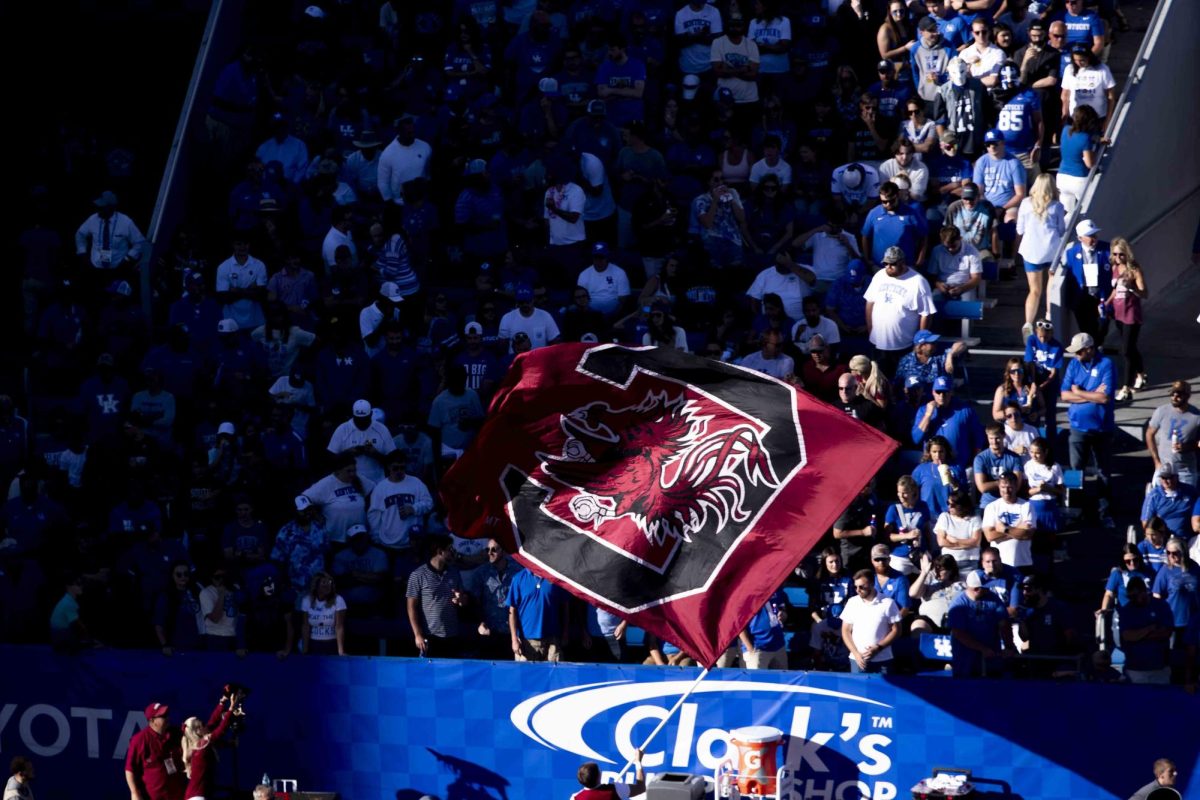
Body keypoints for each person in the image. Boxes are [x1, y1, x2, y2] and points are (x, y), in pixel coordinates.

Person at [1061, 331, 1116, 527]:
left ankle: (1104, 512)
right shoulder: (1074, 364)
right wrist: (1090, 395)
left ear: (1089, 349)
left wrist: (1079, 392)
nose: (1075, 355)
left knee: (1103, 472)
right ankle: (1077, 511)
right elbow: (1065, 395)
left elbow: (1105, 397)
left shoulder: (1106, 364)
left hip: (1102, 429)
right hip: (1077, 428)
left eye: (1078, 352)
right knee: (1077, 471)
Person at [863, 246, 937, 373]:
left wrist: (919, 342)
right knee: (879, 382)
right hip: (878, 342)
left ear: (902, 263)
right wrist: (870, 328)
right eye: (886, 263)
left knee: (902, 383)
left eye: (892, 264)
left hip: (904, 345)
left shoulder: (918, 282)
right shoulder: (879, 276)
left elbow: (926, 313)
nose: (888, 267)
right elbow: (870, 302)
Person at [1015, 174, 1065, 336]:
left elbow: (1020, 230)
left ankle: (1028, 322)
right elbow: (1061, 231)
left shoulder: (1025, 204)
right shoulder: (1056, 206)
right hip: (1051, 251)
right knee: (1050, 284)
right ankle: (1049, 316)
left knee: (1034, 290)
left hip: (1031, 251)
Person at [406, 534, 469, 657]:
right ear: (440, 551)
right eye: (450, 549)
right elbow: (411, 607)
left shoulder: (454, 572)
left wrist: (462, 599)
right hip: (430, 636)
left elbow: (464, 600)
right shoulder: (418, 575)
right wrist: (418, 634)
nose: (453, 552)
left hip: (452, 635)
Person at [947, 570, 1015, 677]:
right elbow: (958, 633)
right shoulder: (958, 604)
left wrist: (1009, 647)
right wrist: (982, 649)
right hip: (966, 661)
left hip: (992, 659)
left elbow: (1004, 624)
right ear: (976, 589)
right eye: (985, 588)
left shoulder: (993, 598)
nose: (988, 590)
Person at [1106, 237, 1148, 403]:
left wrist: (1132, 287)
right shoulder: (1115, 267)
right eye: (1115, 254)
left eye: (1121, 254)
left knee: (1126, 350)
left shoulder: (1134, 269)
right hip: (1118, 312)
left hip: (1131, 313)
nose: (1118, 258)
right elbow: (1115, 290)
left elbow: (1145, 293)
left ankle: (1126, 387)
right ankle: (1141, 374)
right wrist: (1106, 303)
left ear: (1127, 253)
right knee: (1131, 348)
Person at [911, 375, 985, 470]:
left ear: (951, 392)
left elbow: (978, 439)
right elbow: (916, 438)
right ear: (933, 392)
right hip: (933, 467)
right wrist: (928, 415)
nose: (942, 396)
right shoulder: (923, 410)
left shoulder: (965, 410)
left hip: (959, 466)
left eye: (945, 392)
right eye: (938, 392)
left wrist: (973, 464)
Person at [840, 569, 902, 673]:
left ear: (872, 584)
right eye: (855, 587)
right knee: (858, 689)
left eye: (862, 586)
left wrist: (878, 648)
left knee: (883, 690)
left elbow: (896, 630)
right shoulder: (852, 602)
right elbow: (845, 630)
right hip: (858, 660)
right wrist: (855, 653)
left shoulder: (888, 603)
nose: (858, 590)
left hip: (883, 660)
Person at [507, 565, 569, 662]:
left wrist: (565, 632)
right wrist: (514, 639)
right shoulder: (518, 578)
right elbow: (512, 611)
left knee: (554, 675)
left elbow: (565, 606)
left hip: (553, 640)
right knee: (528, 675)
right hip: (526, 641)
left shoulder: (555, 577)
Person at [1119, 578, 1174, 686]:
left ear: (1144, 591)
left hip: (1160, 668)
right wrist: (1148, 629)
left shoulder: (1161, 606)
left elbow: (1166, 632)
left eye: (1135, 596)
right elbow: (1127, 636)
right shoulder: (1127, 610)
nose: (1133, 600)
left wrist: (1137, 636)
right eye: (1130, 597)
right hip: (1135, 669)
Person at [327, 399, 396, 485]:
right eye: (358, 419)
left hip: (376, 484)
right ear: (353, 415)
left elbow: (394, 461)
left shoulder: (382, 429)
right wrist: (347, 453)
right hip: (348, 485)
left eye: (364, 419)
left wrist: (375, 454)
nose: (362, 422)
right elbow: (329, 460)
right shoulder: (342, 429)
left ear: (371, 414)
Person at [1146, 381, 1199, 489]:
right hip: (1164, 469)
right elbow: (1149, 434)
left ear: (1187, 396)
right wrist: (1156, 461)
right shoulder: (1162, 411)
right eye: (1172, 394)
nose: (1174, 398)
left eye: (1179, 395)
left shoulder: (1197, 417)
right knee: (1160, 502)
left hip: (1185, 471)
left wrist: (1188, 446)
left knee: (1186, 503)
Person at [125, 702, 183, 800]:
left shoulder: (176, 733)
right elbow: (130, 770)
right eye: (163, 716)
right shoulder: (139, 740)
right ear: (152, 721)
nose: (167, 717)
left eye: (167, 715)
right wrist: (135, 793)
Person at [181, 696, 235, 800]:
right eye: (202, 724)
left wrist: (222, 703)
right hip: (198, 797)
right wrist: (231, 709)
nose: (206, 725)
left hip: (193, 795)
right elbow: (220, 731)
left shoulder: (198, 746)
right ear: (198, 730)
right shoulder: (202, 747)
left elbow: (212, 722)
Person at [982, 471, 1036, 573]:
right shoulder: (991, 507)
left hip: (1022, 562)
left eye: (1010, 487)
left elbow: (1028, 534)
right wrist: (1017, 530)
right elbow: (989, 536)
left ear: (1016, 486)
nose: (1006, 491)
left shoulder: (1026, 506)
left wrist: (1004, 529)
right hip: (1000, 564)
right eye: (1003, 487)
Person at [1056, 104, 1103, 215]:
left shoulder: (1065, 130)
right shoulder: (1085, 138)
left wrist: (1096, 140)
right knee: (1086, 212)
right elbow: (1089, 163)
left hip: (1062, 177)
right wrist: (1095, 153)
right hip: (1079, 179)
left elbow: (1076, 140)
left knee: (1067, 213)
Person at [1152, 537, 1199, 640]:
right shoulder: (1165, 571)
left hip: (1194, 620)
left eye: (1174, 553)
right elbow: (1156, 595)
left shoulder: (1195, 567)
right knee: (1175, 653)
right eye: (1168, 553)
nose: (1171, 556)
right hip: (1173, 623)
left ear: (1183, 552)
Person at [884, 476, 932, 576]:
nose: (901, 496)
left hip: (920, 553)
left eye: (905, 492)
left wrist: (929, 550)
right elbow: (888, 536)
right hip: (900, 555)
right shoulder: (894, 509)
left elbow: (927, 530)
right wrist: (907, 536)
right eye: (899, 492)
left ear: (913, 491)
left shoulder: (923, 506)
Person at [913, 436, 968, 518]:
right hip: (929, 515)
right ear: (929, 452)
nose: (937, 455)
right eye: (934, 452)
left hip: (951, 515)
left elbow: (964, 493)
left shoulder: (956, 468)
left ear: (946, 451)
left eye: (941, 451)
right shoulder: (921, 469)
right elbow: (912, 491)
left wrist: (954, 483)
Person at [1060, 44, 1115, 125]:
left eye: (1082, 60)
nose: (1078, 63)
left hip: (1097, 117)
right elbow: (1065, 94)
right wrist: (1065, 113)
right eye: (1075, 60)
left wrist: (1108, 120)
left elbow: (1110, 96)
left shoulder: (1102, 69)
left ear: (1089, 57)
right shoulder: (1069, 69)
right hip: (1075, 118)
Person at [908, 553, 965, 631]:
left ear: (950, 570)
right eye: (936, 569)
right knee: (918, 625)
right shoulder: (929, 578)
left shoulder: (963, 581)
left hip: (956, 622)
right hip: (931, 622)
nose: (937, 573)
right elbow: (913, 594)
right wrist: (924, 573)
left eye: (941, 570)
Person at [927, 225, 983, 303]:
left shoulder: (972, 252)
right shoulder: (937, 251)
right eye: (947, 247)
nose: (950, 249)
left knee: (967, 304)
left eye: (953, 246)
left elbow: (976, 278)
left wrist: (962, 288)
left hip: (965, 287)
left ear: (960, 238)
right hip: (943, 286)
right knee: (933, 302)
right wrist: (938, 284)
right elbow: (932, 275)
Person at [1142, 466, 1197, 540]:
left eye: (1169, 477)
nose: (1166, 480)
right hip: (1163, 539)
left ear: (1176, 477)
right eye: (1163, 478)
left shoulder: (1190, 491)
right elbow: (1146, 522)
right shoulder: (1153, 496)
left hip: (1189, 537)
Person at [739, 590, 789, 669]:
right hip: (758, 647)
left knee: (782, 679)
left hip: (778, 645)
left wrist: (783, 615)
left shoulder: (776, 590)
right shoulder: (746, 594)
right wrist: (750, 648)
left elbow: (782, 610)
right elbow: (739, 625)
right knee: (757, 680)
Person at [300, 572, 346, 656]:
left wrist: (341, 652)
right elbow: (305, 626)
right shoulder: (306, 600)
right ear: (316, 585)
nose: (328, 585)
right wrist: (304, 650)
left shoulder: (338, 600)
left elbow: (339, 627)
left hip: (331, 644)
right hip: (313, 644)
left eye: (330, 582)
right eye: (324, 582)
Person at [936, 491, 984, 571]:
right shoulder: (944, 517)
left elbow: (976, 541)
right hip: (948, 563)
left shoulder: (975, 518)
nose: (949, 506)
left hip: (970, 562)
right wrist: (965, 544)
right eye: (948, 503)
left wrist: (955, 540)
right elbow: (941, 542)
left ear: (962, 505)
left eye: (953, 505)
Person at [573, 751, 645, 800]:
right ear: (599, 776)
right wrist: (638, 762)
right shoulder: (616, 789)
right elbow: (640, 788)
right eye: (599, 771)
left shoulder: (575, 798)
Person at [991, 357, 1041, 426]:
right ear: (1009, 373)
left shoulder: (1032, 387)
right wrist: (1014, 412)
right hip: (1011, 429)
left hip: (1030, 427)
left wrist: (1037, 414)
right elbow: (995, 415)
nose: (1017, 374)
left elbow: (1043, 408)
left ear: (1024, 371)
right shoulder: (1002, 389)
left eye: (1019, 370)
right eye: (1013, 371)